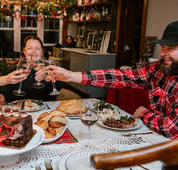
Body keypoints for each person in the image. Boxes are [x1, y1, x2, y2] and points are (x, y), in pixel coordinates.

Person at [46, 21, 178, 139]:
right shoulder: (158, 70)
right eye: (162, 47)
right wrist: (72, 76)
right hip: (159, 139)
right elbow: (119, 76)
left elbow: (171, 129)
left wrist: (143, 114)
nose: (162, 53)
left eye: (170, 48)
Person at [0, 35, 63, 106]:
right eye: (30, 48)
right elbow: (6, 93)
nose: (34, 51)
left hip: (45, 112)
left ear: (41, 51)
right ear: (24, 51)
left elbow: (58, 87)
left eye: (37, 48)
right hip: (19, 112)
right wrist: (2, 98)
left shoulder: (49, 69)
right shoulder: (15, 71)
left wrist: (49, 77)